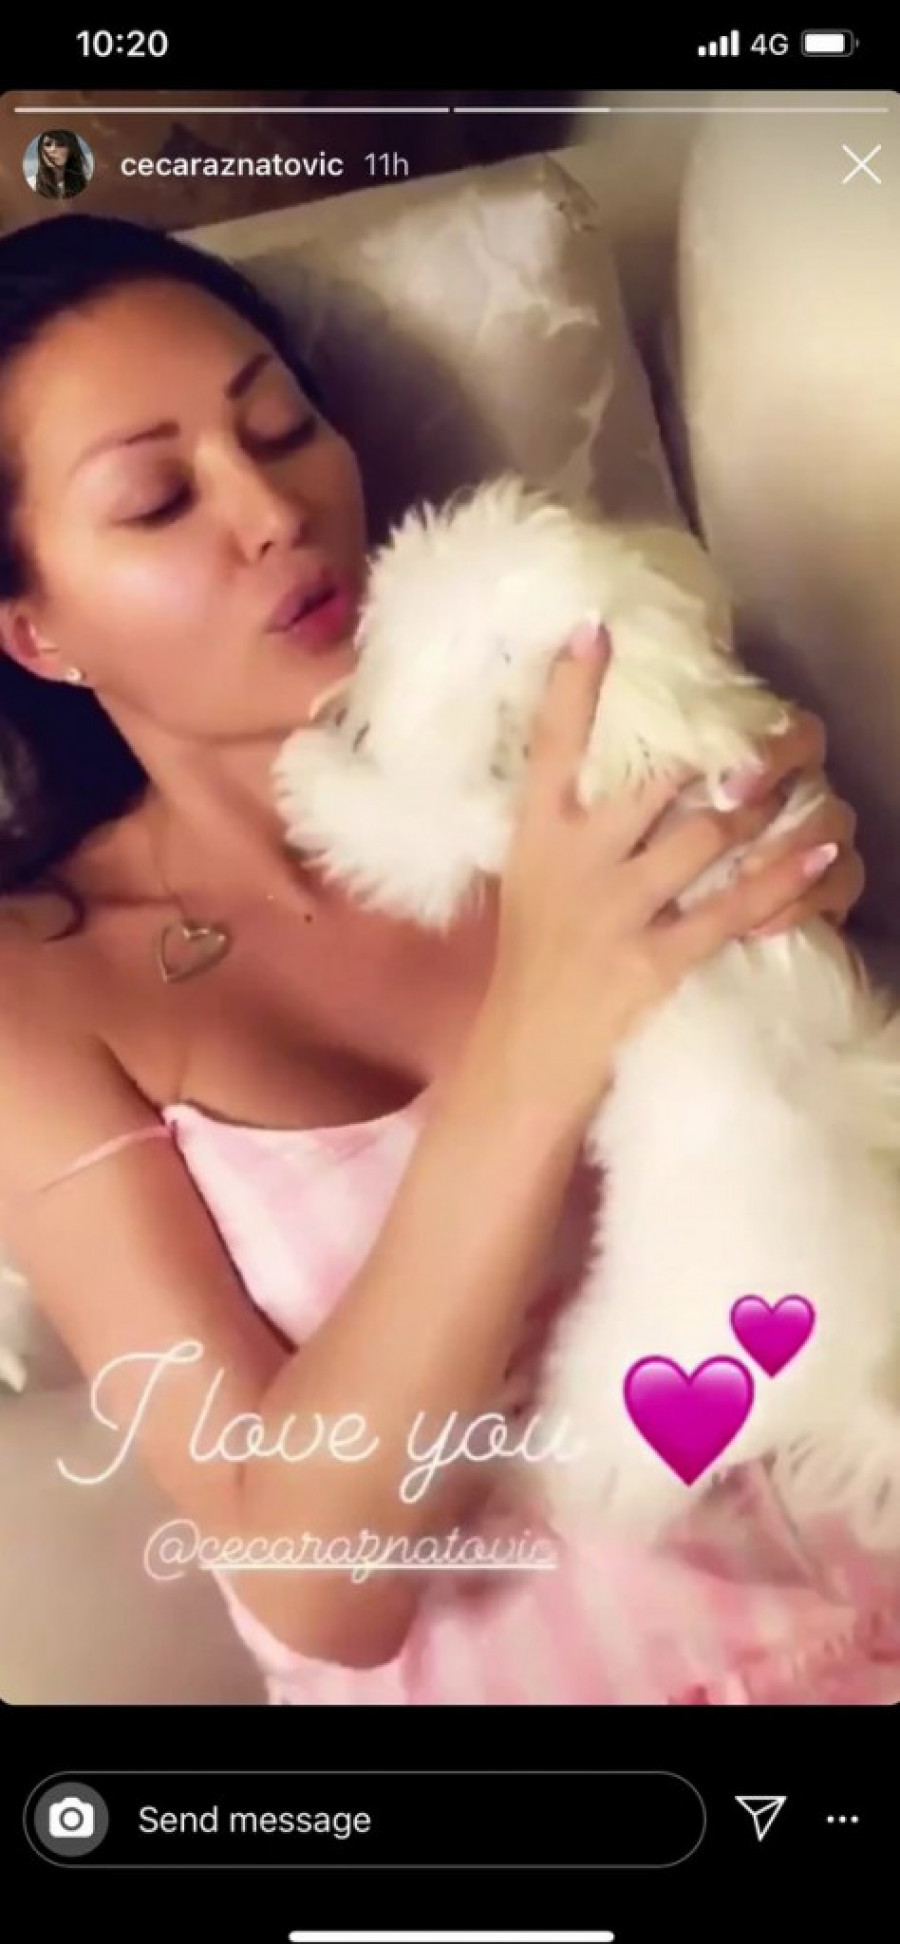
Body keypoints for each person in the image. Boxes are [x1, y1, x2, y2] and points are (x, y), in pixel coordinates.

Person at [0, 212, 896, 1707]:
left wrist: (807, 920)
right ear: (36, 631)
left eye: (282, 427)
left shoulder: (565, 754)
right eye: (158, 500)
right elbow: (315, 1588)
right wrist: (540, 1039)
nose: (273, 509)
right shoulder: (45, 992)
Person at [30, 130, 90, 202]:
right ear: (40, 150)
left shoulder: (86, 186)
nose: (53, 149)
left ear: (71, 151)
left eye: (61, 144)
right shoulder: (31, 184)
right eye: (47, 144)